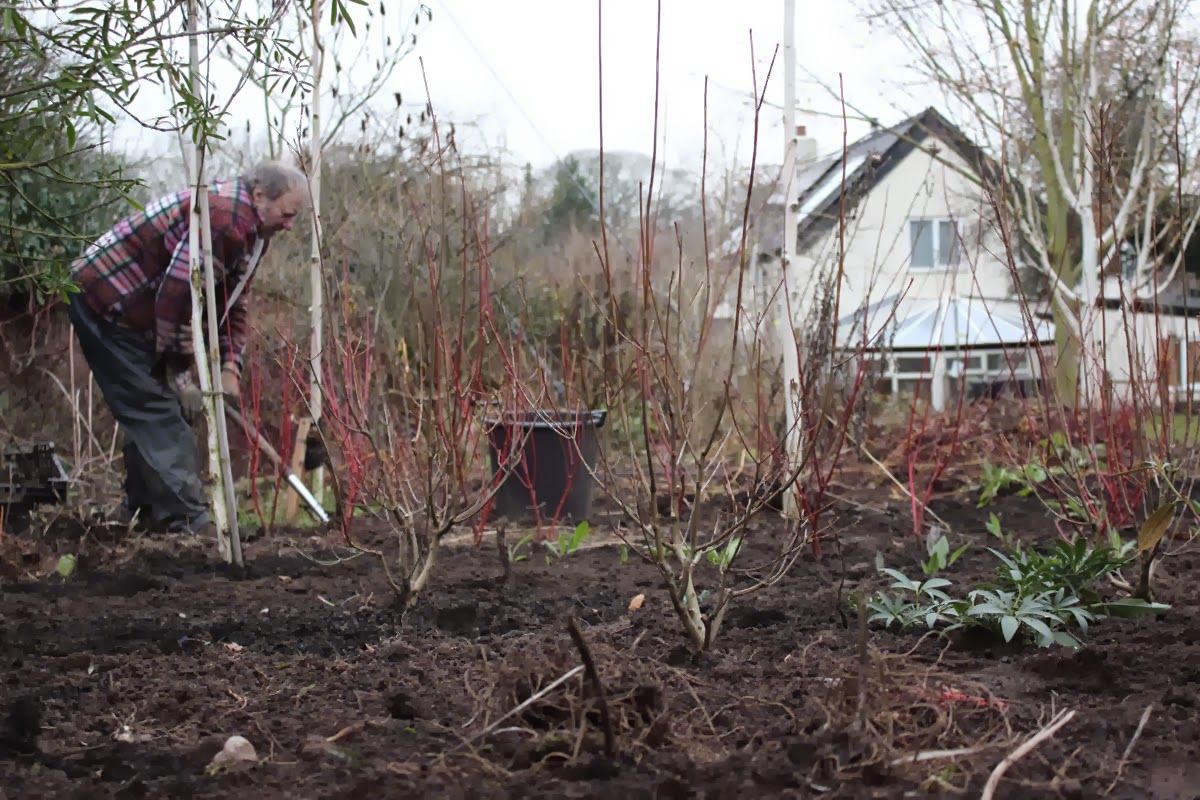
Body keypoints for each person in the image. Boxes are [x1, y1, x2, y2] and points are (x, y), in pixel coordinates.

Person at [66, 161, 309, 535]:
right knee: (157, 407)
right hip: (109, 298)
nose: (290, 224)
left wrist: (230, 367)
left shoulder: (255, 231)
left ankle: (146, 512)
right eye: (288, 213)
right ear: (260, 196)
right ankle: (185, 520)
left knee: (153, 405)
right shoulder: (224, 220)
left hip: (142, 308)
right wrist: (179, 368)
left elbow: (232, 300)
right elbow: (177, 295)